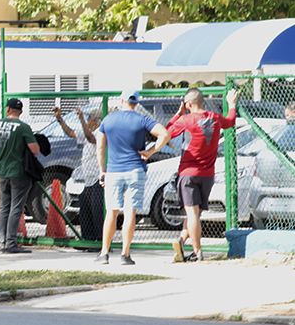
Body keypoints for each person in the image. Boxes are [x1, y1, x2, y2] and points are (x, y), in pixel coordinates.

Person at [95, 91, 171, 265]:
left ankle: (104, 253)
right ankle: (125, 254)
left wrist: (102, 170)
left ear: (121, 100)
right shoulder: (141, 120)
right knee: (130, 212)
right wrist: (151, 151)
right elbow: (165, 134)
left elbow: (100, 146)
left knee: (112, 213)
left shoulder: (108, 120)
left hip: (113, 171)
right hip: (135, 169)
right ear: (136, 102)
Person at [167, 88, 238, 262]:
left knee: (191, 213)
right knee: (196, 214)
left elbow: (166, 131)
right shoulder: (214, 118)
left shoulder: (186, 119)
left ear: (188, 104)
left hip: (188, 173)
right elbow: (230, 121)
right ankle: (181, 241)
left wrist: (177, 114)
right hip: (207, 174)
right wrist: (232, 104)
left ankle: (198, 252)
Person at [0, 98, 41, 254]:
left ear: (8, 109)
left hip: (2, 172)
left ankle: (2, 242)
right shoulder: (23, 127)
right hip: (19, 172)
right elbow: (35, 150)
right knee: (16, 207)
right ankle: (11, 243)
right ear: (20, 111)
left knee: (4, 207)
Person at [55, 107, 104, 243]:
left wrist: (81, 119)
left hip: (97, 178)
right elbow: (71, 133)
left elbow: (90, 137)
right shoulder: (89, 131)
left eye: (89, 120)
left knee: (97, 212)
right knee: (85, 211)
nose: (87, 122)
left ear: (95, 122)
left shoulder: (100, 133)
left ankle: (100, 241)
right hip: (87, 179)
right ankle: (87, 239)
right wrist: (60, 119)